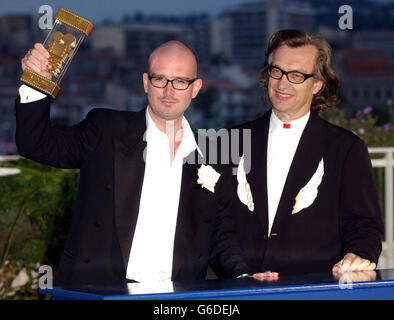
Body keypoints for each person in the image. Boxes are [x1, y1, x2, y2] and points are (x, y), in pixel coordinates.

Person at [16, 40, 276, 285]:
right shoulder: (106, 130)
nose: (169, 90)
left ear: (196, 88)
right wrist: (36, 82)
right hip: (101, 291)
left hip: (176, 300)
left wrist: (243, 277)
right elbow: (36, 145)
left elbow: (220, 236)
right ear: (145, 83)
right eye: (160, 78)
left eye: (180, 81)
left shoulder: (212, 155)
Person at [232, 29, 384, 276]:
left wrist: (357, 255)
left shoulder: (346, 149)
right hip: (239, 290)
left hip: (313, 289)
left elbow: (364, 225)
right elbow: (215, 223)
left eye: (296, 75)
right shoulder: (232, 141)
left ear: (317, 84)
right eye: (277, 71)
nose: (282, 83)